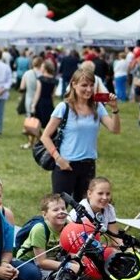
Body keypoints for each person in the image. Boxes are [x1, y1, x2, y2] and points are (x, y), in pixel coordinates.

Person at [40, 68, 121, 203]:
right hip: (66, 165)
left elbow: (115, 129)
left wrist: (115, 109)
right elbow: (45, 136)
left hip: (88, 166)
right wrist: (58, 159)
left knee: (85, 210)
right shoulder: (64, 107)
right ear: (74, 84)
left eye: (91, 85)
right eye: (84, 85)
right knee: (60, 208)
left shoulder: (97, 106)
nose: (89, 89)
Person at [16, 193, 75, 273]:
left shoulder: (68, 226)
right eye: (55, 210)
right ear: (44, 214)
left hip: (51, 260)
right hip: (28, 262)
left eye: (63, 208)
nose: (61, 212)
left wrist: (78, 264)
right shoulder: (40, 229)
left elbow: (72, 252)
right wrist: (68, 266)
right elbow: (41, 262)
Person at [19, 56, 43, 149]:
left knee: (30, 121)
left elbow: (22, 87)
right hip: (40, 99)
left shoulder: (27, 73)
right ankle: (39, 140)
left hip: (29, 98)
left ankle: (32, 142)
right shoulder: (42, 74)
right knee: (38, 121)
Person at [30, 60, 58, 129]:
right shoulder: (54, 81)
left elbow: (37, 93)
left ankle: (36, 138)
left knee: (36, 123)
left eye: (42, 66)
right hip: (49, 103)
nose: (41, 68)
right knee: (48, 123)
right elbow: (53, 95)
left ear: (45, 68)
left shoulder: (40, 79)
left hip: (40, 102)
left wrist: (33, 105)